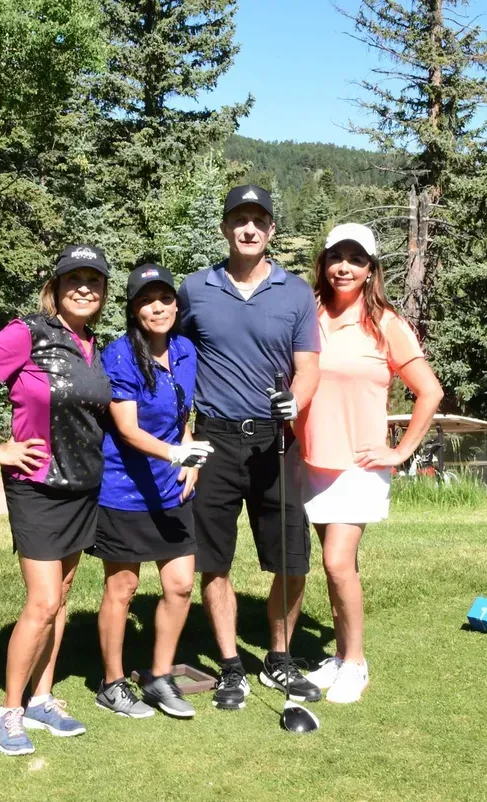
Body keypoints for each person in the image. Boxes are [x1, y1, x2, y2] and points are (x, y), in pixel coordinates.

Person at [0, 244, 112, 755]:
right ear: (57, 287)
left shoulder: (92, 344)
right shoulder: (28, 332)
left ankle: (43, 699)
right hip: (36, 485)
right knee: (42, 601)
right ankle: (10, 710)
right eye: (74, 279)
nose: (84, 287)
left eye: (94, 280)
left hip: (83, 487)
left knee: (60, 598)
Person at [178, 185, 322, 711]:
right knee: (214, 559)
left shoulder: (296, 292)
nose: (249, 229)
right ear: (225, 228)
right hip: (214, 438)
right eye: (239, 219)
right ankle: (231, 666)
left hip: (274, 440)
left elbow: (308, 367)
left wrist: (295, 400)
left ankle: (279, 657)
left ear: (271, 231)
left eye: (258, 220)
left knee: (291, 557)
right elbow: (172, 355)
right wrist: (181, 428)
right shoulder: (195, 289)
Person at [296, 223, 444, 704]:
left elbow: (430, 391)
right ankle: (339, 656)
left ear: (370, 270)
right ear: (324, 262)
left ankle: (356, 663)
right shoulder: (308, 316)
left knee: (338, 563)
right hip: (310, 460)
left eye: (356, 259)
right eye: (337, 256)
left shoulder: (386, 323)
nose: (344, 267)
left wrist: (401, 451)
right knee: (337, 566)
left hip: (359, 463)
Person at [90, 264, 213, 720]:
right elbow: (127, 430)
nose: (157, 307)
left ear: (176, 305)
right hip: (124, 491)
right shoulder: (119, 355)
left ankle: (160, 678)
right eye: (146, 300)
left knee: (180, 586)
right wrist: (176, 455)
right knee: (122, 588)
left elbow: (185, 415)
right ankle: (112, 682)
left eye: (164, 298)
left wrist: (190, 461)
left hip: (173, 490)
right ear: (133, 309)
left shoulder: (184, 350)